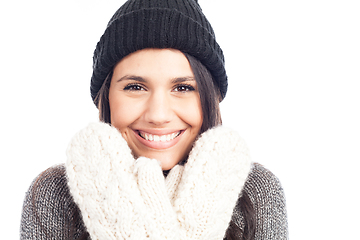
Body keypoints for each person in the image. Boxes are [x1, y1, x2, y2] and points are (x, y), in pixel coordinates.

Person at [20, 0, 288, 239]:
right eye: (135, 87)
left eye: (183, 88)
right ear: (106, 98)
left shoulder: (255, 191)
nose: (158, 115)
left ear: (211, 97)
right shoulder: (55, 194)